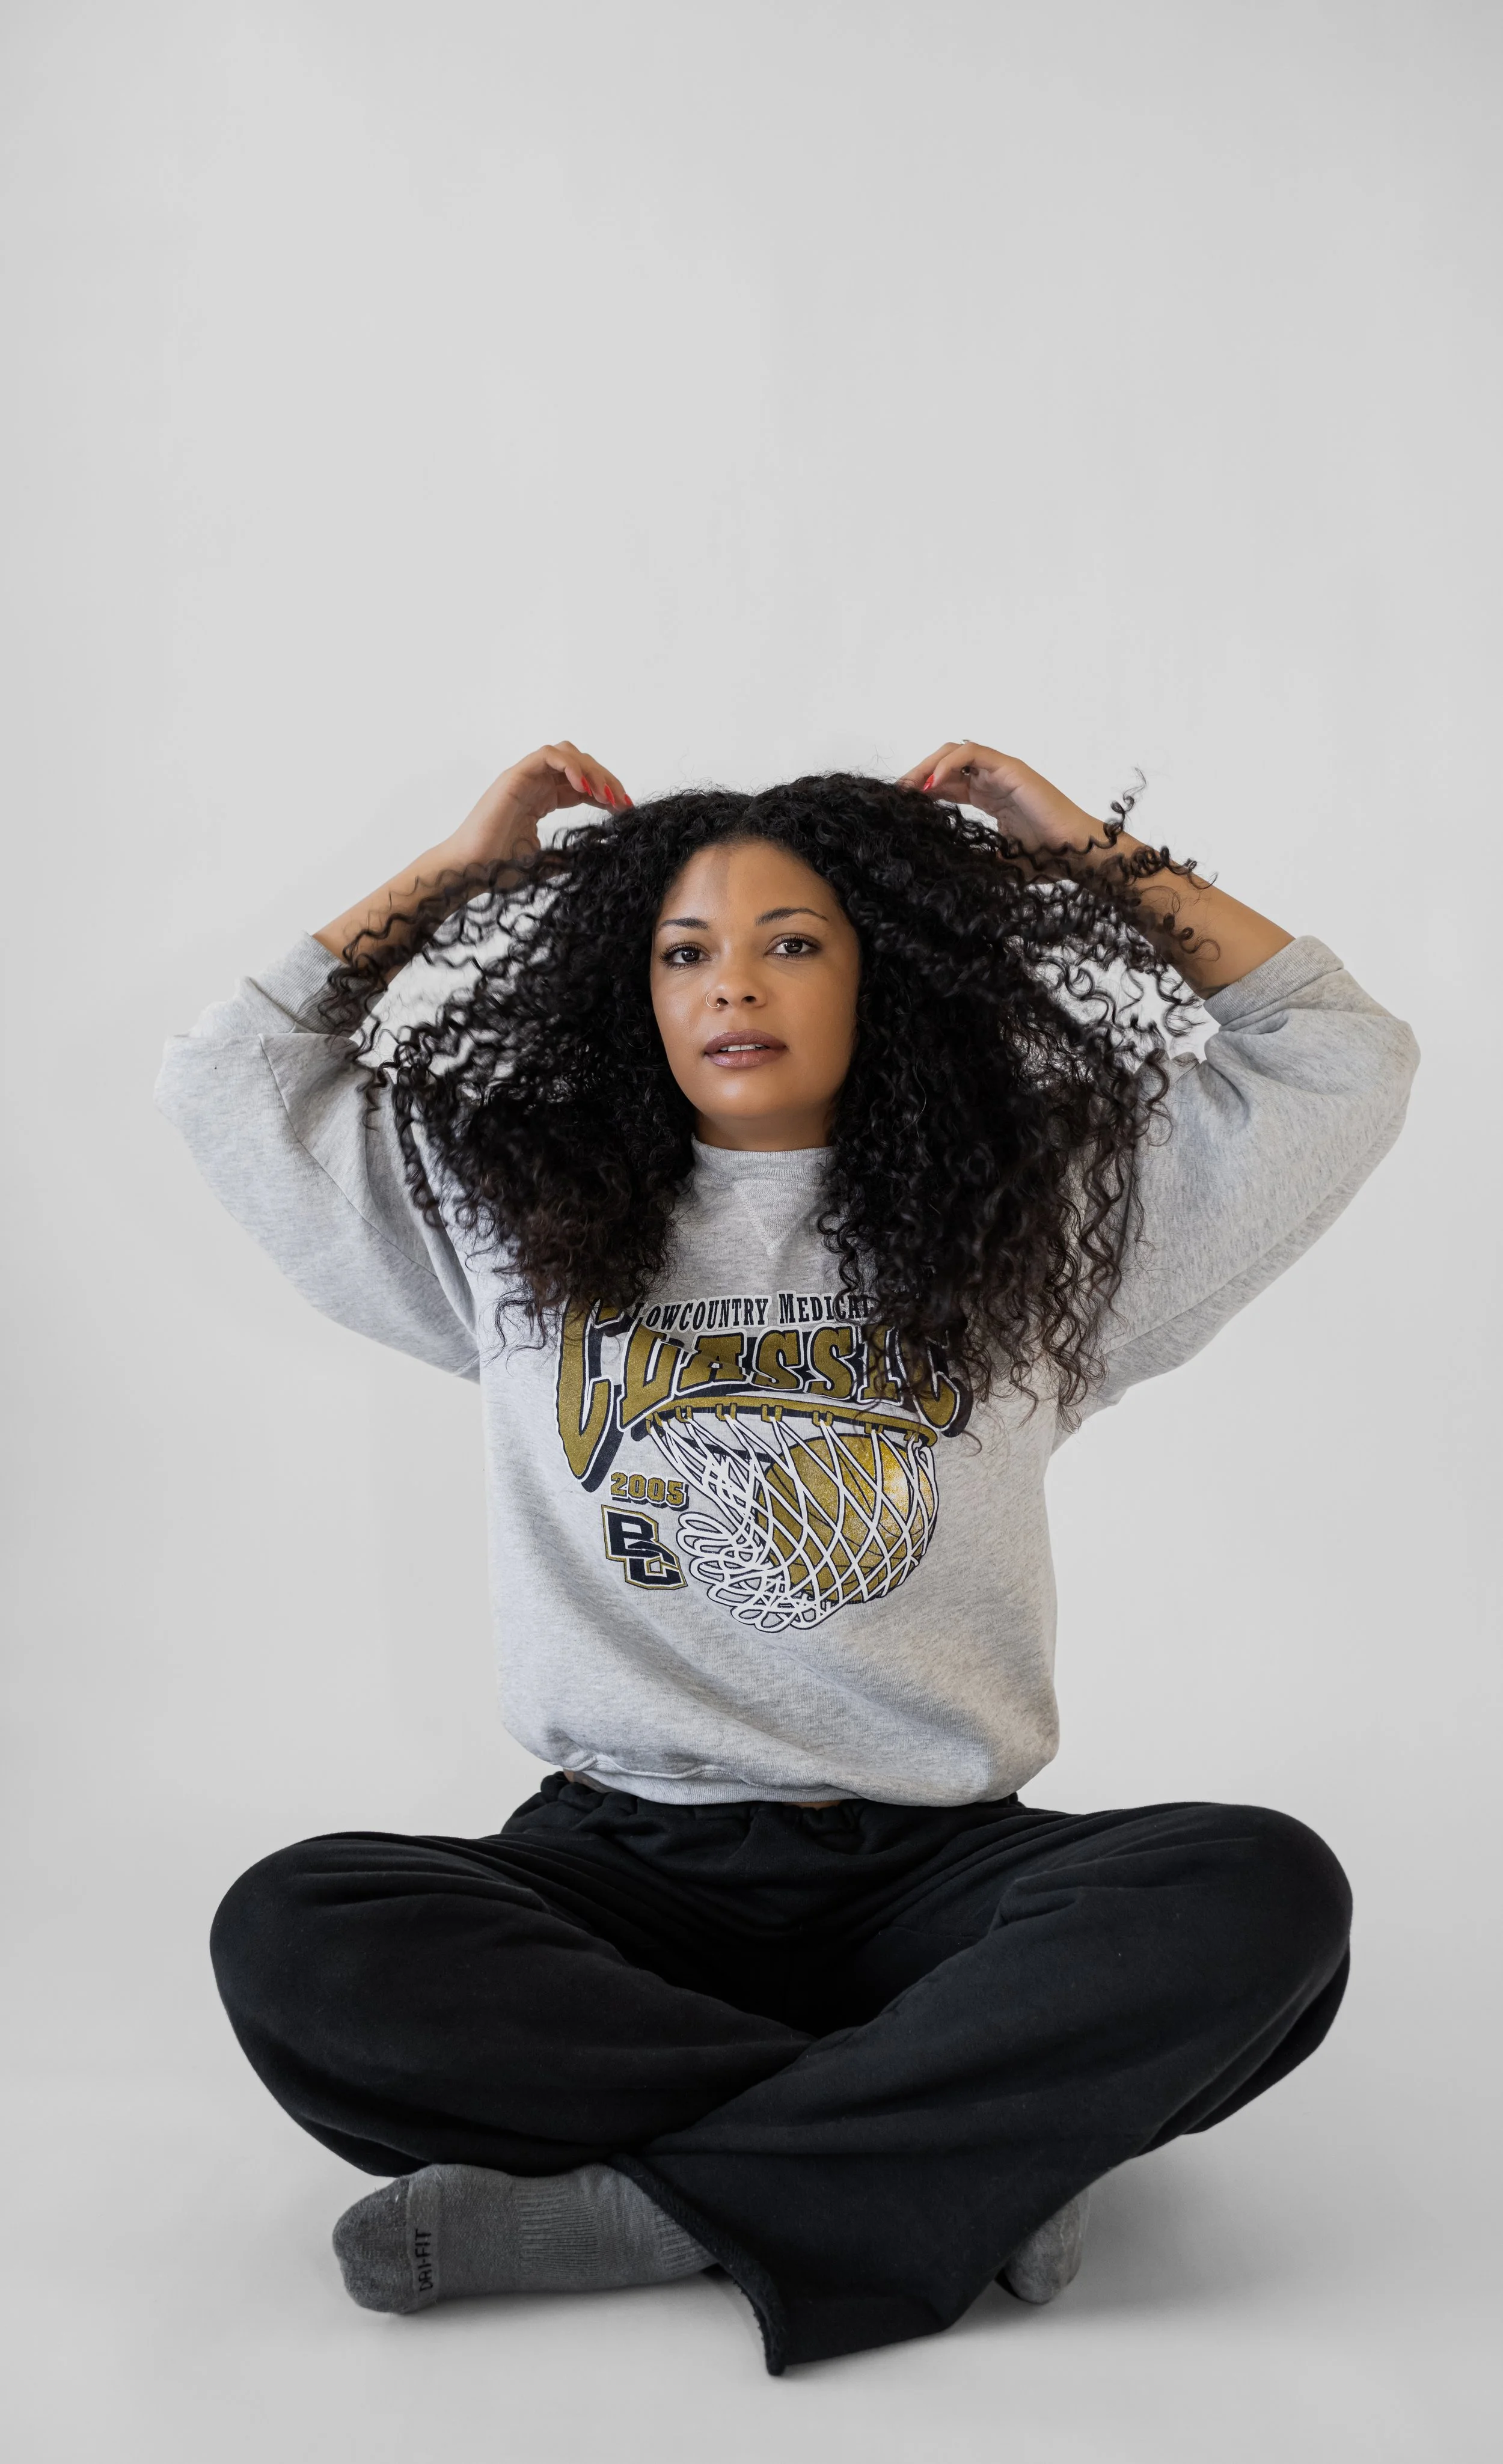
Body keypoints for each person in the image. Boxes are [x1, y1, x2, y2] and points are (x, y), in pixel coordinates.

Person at [154, 738, 1418, 2373]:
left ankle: (666, 2206)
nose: (730, 986)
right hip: (619, 1870)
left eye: (793, 942)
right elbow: (223, 1079)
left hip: (941, 1869)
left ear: (880, 972)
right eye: (684, 951)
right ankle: (953, 2151)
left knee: (1254, 1892)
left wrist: (1074, 860)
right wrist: (464, 869)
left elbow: (1337, 1055)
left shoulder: (1042, 1218)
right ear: (634, 987)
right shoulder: (507, 1208)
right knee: (300, 1930)